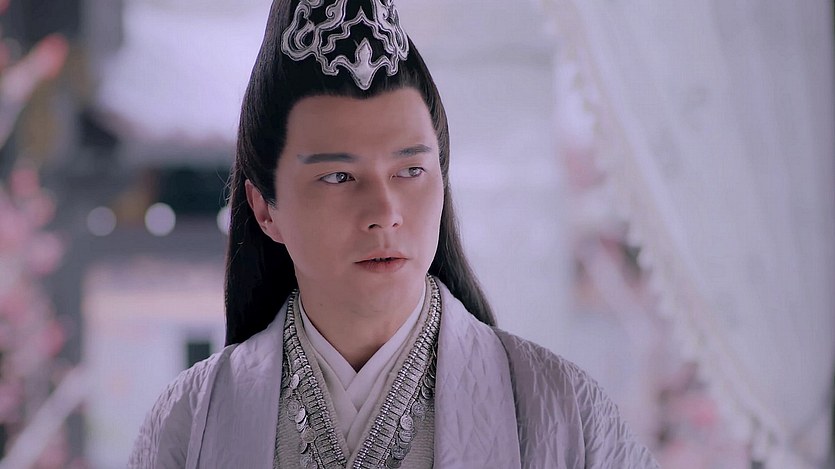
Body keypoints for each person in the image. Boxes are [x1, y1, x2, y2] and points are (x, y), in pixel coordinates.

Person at [129, 0, 659, 467]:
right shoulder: (189, 423)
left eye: (410, 171)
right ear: (265, 209)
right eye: (339, 177)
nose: (385, 212)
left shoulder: (564, 412)